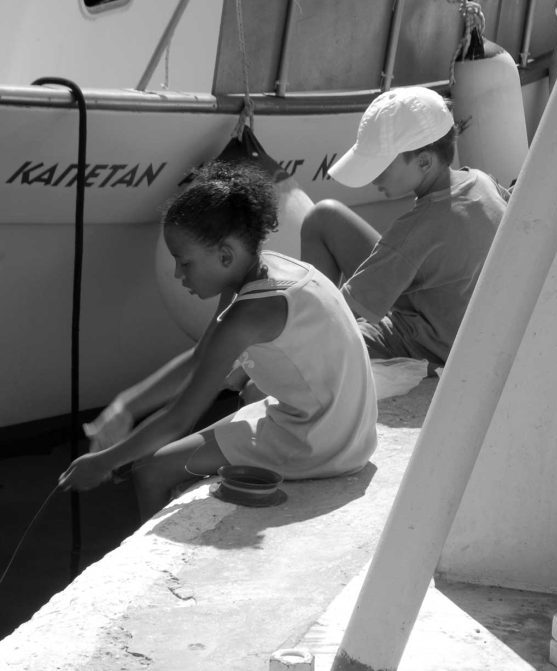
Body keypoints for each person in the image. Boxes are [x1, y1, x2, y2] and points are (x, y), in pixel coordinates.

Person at [58, 163, 378, 520]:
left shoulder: (248, 315)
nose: (178, 274)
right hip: (348, 430)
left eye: (184, 262)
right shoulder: (266, 271)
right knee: (160, 452)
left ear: (225, 255)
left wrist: (103, 463)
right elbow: (201, 357)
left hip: (320, 443)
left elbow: (179, 418)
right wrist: (126, 406)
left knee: (149, 471)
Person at [300, 86, 508, 368]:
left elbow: (342, 311)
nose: (374, 179)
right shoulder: (483, 182)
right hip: (468, 329)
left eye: (381, 167)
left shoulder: (416, 230)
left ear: (424, 161)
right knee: (324, 217)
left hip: (431, 349)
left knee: (313, 347)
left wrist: (292, 340)